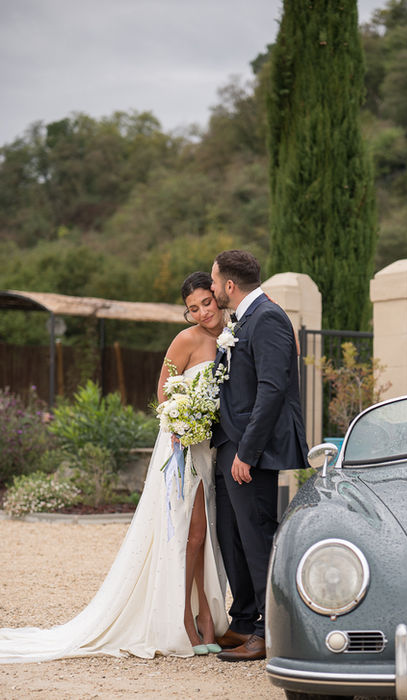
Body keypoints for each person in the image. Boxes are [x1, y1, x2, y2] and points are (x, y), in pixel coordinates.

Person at [0, 271, 229, 663]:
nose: (202, 312)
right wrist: (183, 423)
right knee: (190, 533)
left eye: (206, 303)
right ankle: (189, 620)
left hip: (213, 450)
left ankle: (204, 612)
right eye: (193, 308)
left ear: (217, 295)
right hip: (182, 447)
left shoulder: (230, 337)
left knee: (205, 535)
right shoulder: (185, 339)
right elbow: (164, 393)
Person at [210, 250, 309, 662]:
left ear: (230, 285)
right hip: (231, 443)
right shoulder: (244, 318)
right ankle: (245, 619)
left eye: (214, 282)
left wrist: (247, 453)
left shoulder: (267, 317)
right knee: (233, 536)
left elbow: (272, 389)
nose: (212, 288)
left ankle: (269, 630)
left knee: (257, 538)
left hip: (253, 450)